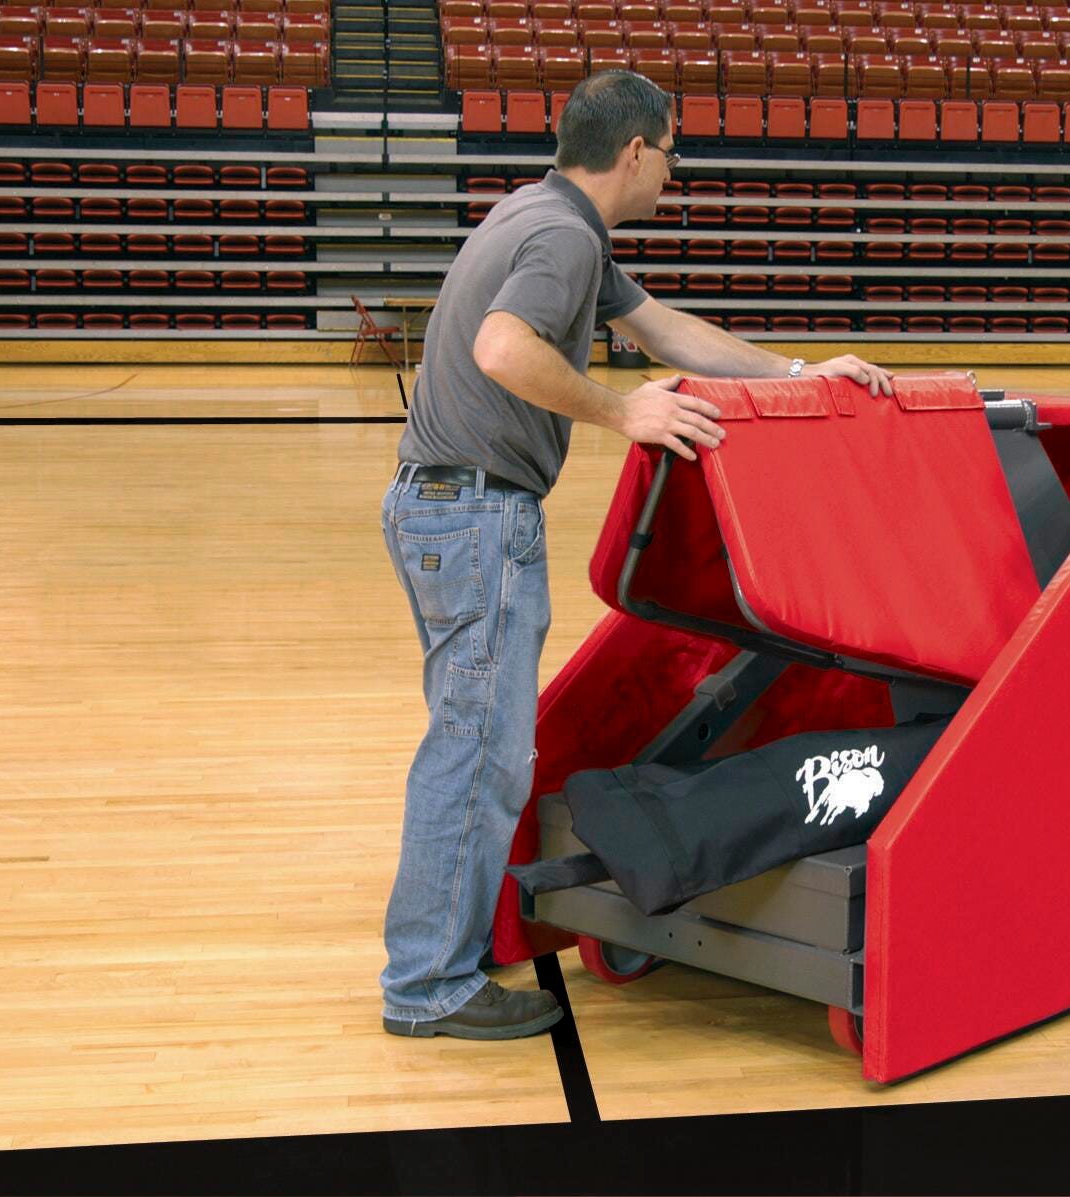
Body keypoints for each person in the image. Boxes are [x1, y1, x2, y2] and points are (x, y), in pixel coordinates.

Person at [378, 70, 896, 1040]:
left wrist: (798, 372)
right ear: (633, 151)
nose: (673, 170)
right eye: (671, 153)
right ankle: (427, 986)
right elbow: (503, 348)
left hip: (440, 507)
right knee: (477, 754)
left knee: (476, 746)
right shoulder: (565, 237)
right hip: (476, 516)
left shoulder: (541, 213)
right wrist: (623, 411)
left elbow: (663, 329)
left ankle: (437, 959)